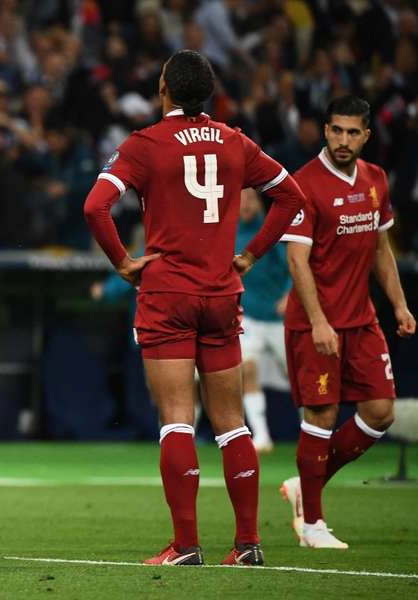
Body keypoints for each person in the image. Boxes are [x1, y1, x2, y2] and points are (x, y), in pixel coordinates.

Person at [83, 49, 305, 567]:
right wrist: (251, 254)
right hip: (222, 293)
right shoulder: (235, 141)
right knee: (232, 423)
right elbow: (292, 197)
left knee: (178, 421)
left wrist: (122, 262)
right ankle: (247, 544)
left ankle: (185, 546)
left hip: (167, 295)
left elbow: (95, 206)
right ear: (208, 94)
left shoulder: (145, 144)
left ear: (163, 89)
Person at [279, 96, 416, 549]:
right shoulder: (304, 184)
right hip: (315, 323)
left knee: (380, 413)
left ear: (366, 136)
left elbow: (380, 249)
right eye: (336, 130)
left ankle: (307, 484)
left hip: (361, 320)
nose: (343, 139)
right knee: (321, 415)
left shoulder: (376, 179)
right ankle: (313, 526)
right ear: (325, 131)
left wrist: (399, 305)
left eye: (352, 132)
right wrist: (319, 321)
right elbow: (297, 260)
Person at [236, 188, 292, 454]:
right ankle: (261, 436)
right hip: (248, 319)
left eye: (250, 199)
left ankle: (316, 430)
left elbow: (295, 265)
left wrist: (289, 295)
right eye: (240, 200)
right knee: (247, 371)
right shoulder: (227, 234)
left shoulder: (272, 232)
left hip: (278, 319)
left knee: (300, 377)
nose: (245, 205)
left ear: (259, 203)